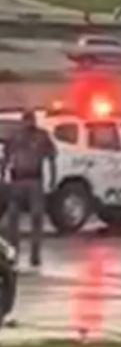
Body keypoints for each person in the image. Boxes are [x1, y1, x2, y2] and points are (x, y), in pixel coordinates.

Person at [3, 110, 57, 267]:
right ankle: (13, 252)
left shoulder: (42, 136)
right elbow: (6, 157)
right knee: (12, 218)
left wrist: (53, 179)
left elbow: (51, 158)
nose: (28, 123)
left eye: (31, 120)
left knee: (37, 217)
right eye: (26, 120)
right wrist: (3, 175)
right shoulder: (15, 137)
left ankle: (35, 254)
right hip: (18, 180)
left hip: (35, 180)